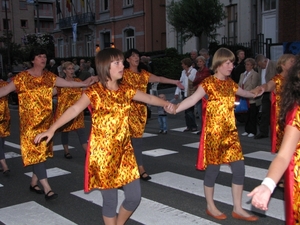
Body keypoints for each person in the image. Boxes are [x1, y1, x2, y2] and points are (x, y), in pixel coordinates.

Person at [34, 48, 174, 224]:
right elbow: (75, 109)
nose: (122, 65)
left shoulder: (126, 90)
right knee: (110, 201)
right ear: (105, 66)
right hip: (103, 155)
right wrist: (51, 129)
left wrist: (167, 104)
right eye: (117, 63)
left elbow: (150, 99)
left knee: (134, 198)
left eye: (122, 62)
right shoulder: (95, 92)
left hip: (125, 153)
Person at [165, 48, 262, 221]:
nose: (232, 66)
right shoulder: (208, 83)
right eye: (228, 63)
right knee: (213, 171)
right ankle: (210, 206)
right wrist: (175, 108)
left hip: (231, 134)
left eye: (232, 63)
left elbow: (245, 94)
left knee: (239, 169)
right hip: (214, 135)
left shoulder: (230, 83)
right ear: (218, 64)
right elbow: (192, 100)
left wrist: (258, 90)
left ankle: (238, 208)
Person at [0, 48, 97, 201]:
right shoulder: (22, 77)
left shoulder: (49, 77)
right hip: (29, 125)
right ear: (33, 60)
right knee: (37, 154)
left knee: (40, 154)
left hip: (46, 123)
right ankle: (47, 188)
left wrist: (88, 82)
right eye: (39, 56)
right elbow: (4, 90)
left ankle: (34, 182)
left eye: (44, 56)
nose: (43, 58)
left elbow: (70, 85)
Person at [247, 56, 300, 225]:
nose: (292, 63)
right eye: (289, 61)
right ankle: (282, 180)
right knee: (285, 151)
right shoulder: (279, 81)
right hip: (283, 121)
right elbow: (284, 156)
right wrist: (267, 185)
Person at [123, 48, 184, 181]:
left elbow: (160, 78)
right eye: (133, 56)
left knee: (137, 142)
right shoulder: (123, 74)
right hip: (124, 111)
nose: (136, 58)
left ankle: (138, 168)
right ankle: (131, 169)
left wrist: (175, 82)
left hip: (140, 112)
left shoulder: (144, 74)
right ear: (127, 59)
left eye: (137, 55)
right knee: (124, 142)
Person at [54, 61, 91, 159]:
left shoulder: (78, 81)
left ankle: (88, 153)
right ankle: (66, 151)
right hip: (64, 112)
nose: (72, 70)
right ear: (65, 71)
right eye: (69, 69)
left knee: (81, 132)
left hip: (77, 112)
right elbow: (49, 93)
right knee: (65, 132)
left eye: (72, 68)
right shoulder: (61, 83)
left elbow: (86, 91)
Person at [254, 54, 277, 139]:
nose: (259, 67)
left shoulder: (274, 65)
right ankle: (263, 132)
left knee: (276, 112)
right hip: (264, 92)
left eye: (259, 64)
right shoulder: (260, 68)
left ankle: (278, 132)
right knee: (265, 112)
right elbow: (261, 79)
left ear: (264, 61)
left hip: (273, 91)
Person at [238, 58, 261, 137]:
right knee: (246, 114)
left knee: (252, 114)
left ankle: (252, 131)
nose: (246, 66)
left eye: (248, 64)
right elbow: (239, 84)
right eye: (245, 64)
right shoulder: (242, 74)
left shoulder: (255, 74)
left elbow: (253, 85)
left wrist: (245, 92)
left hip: (251, 97)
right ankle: (247, 130)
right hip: (244, 97)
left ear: (252, 66)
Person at [174, 58, 198, 132]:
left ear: (186, 64)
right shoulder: (183, 72)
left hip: (190, 93)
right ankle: (188, 126)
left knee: (190, 110)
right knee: (186, 110)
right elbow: (180, 82)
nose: (182, 65)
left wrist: (189, 75)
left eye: (183, 64)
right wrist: (177, 92)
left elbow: (194, 80)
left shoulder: (193, 71)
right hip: (184, 92)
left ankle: (193, 126)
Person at [193, 56, 211, 135]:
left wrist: (196, 81)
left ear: (204, 62)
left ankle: (207, 129)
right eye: (198, 62)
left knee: (205, 111)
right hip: (198, 91)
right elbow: (195, 80)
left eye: (200, 61)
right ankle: (203, 129)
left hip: (205, 92)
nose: (199, 63)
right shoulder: (198, 71)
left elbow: (200, 79)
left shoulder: (206, 71)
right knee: (200, 112)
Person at [0, 79, 10, 176]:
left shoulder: (5, 84)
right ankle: (4, 165)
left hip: (4, 117)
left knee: (2, 141)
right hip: (4, 116)